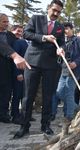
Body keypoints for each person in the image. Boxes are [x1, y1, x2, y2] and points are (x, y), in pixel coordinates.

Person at [14, 0, 65, 138]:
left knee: (48, 96)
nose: (56, 14)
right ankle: (24, 126)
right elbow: (26, 34)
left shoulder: (60, 27)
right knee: (28, 96)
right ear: (48, 8)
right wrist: (44, 37)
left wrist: (61, 50)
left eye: (59, 12)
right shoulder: (36, 19)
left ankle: (46, 125)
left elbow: (62, 43)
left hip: (51, 65)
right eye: (54, 10)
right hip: (32, 63)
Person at [56, 22, 80, 122]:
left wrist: (76, 62)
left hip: (74, 70)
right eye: (63, 29)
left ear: (71, 29)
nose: (65, 31)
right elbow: (60, 56)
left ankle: (69, 117)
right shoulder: (62, 42)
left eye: (67, 29)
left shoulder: (78, 40)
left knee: (69, 93)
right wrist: (59, 53)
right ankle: (77, 108)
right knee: (59, 92)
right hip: (64, 69)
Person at [0, 13, 19, 123]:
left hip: (7, 69)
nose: (7, 24)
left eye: (7, 21)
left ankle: (3, 114)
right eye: (4, 22)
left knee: (6, 93)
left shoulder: (11, 36)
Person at [10, 25, 29, 124]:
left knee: (23, 95)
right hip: (19, 73)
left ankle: (24, 114)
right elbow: (15, 59)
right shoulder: (17, 42)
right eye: (18, 31)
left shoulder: (24, 42)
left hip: (26, 72)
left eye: (21, 31)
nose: (19, 33)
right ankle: (15, 115)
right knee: (17, 95)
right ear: (12, 31)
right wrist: (18, 73)